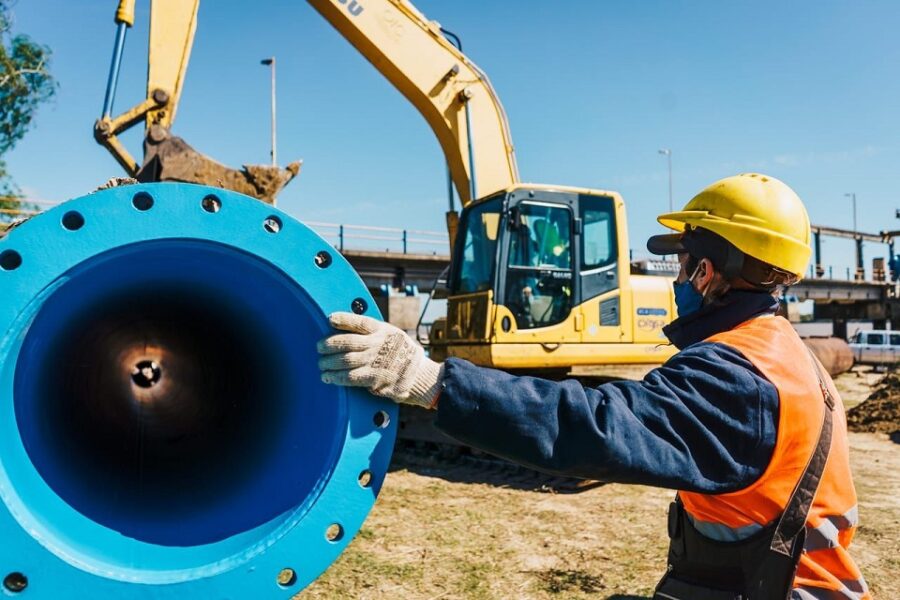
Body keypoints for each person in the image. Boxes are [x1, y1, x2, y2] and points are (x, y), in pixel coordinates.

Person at [318, 173, 869, 599]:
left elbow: (596, 424)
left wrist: (432, 381)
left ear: (709, 269)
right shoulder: (781, 355)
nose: (675, 277)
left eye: (681, 262)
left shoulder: (738, 378)